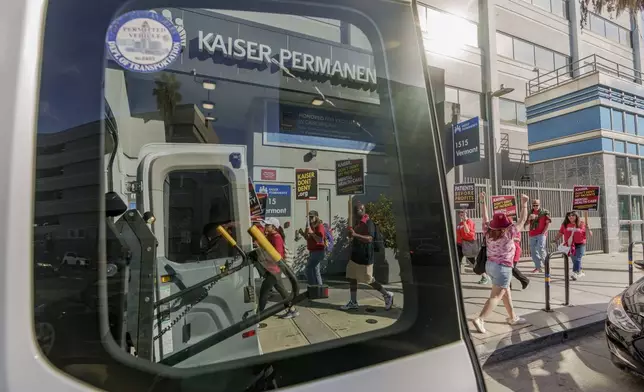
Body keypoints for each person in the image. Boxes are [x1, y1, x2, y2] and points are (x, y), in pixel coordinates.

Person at [472, 192, 529, 334]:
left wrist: (483, 201)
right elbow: (522, 220)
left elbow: (484, 217)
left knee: (506, 292)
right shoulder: (509, 233)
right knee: (496, 296)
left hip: (490, 266)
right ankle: (480, 319)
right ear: (506, 225)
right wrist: (524, 204)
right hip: (503, 268)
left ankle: (512, 317)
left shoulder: (487, 231)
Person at [341, 202, 394, 311]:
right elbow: (353, 237)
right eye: (354, 211)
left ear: (362, 210)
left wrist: (355, 234)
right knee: (352, 278)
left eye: (356, 211)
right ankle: (353, 302)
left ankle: (386, 294)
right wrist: (351, 234)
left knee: (369, 280)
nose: (354, 214)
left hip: (365, 257)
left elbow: (370, 238)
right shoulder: (357, 223)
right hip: (355, 256)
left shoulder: (368, 223)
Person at [257, 217, 298, 318]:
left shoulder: (276, 237)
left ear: (274, 227)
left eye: (268, 225)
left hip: (274, 270)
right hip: (273, 269)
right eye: (265, 225)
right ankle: (292, 310)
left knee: (264, 293)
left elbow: (278, 255)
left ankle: (257, 317)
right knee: (283, 291)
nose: (265, 227)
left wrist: (265, 256)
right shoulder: (270, 235)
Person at [456, 209, 490, 284]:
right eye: (460, 212)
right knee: (457, 261)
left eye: (463, 212)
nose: (461, 214)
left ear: (466, 213)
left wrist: (464, 221)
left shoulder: (469, 222)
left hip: (468, 244)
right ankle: (456, 279)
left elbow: (467, 231)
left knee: (473, 262)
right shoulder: (460, 223)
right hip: (460, 244)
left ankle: (484, 276)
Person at [552, 211, 588, 281]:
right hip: (570, 245)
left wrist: (588, 228)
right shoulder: (565, 224)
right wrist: (555, 240)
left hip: (580, 244)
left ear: (576, 216)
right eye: (569, 216)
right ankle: (580, 270)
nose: (570, 217)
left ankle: (575, 273)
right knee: (574, 260)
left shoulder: (581, 223)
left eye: (573, 215)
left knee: (578, 258)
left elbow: (587, 233)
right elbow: (560, 233)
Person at [298, 210, 326, 286]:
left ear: (316, 217)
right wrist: (303, 233)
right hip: (312, 250)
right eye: (308, 217)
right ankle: (319, 288)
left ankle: (313, 286)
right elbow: (308, 238)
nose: (310, 219)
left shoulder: (319, 226)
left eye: (311, 217)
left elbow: (319, 239)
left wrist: (312, 233)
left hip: (318, 250)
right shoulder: (309, 225)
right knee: (316, 271)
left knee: (308, 269)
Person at [526, 198, 550, 273]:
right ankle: (538, 267)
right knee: (533, 251)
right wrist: (529, 219)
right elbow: (525, 223)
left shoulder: (545, 212)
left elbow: (548, 223)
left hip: (541, 233)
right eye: (534, 205)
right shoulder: (530, 212)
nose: (535, 206)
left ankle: (547, 266)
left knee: (541, 249)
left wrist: (544, 232)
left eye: (537, 205)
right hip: (532, 233)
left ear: (539, 205)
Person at [511, 225, 530, 290]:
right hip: (509, 253)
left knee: (511, 269)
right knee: (509, 270)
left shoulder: (515, 229)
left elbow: (518, 239)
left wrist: (508, 238)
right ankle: (508, 286)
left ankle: (525, 280)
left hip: (515, 252)